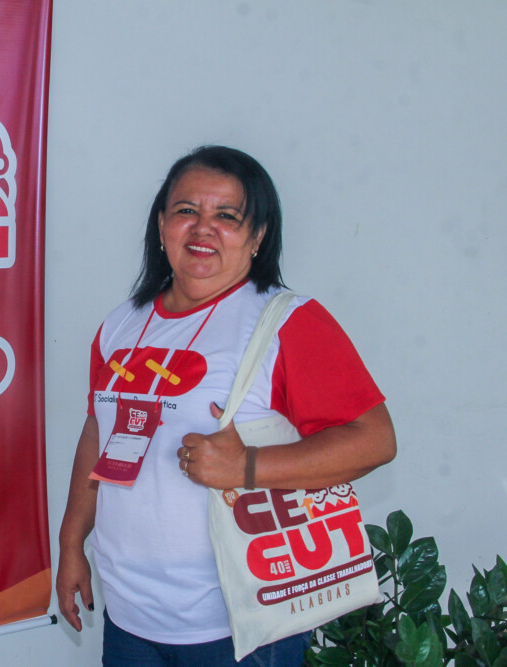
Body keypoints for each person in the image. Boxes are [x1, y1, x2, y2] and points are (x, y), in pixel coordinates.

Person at [56, 146, 396, 666]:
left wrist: (246, 466)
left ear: (258, 236)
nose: (203, 229)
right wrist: (71, 543)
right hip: (129, 615)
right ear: (162, 224)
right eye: (186, 210)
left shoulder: (286, 322)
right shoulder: (121, 325)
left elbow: (374, 440)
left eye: (228, 216)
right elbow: (96, 435)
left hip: (238, 624)